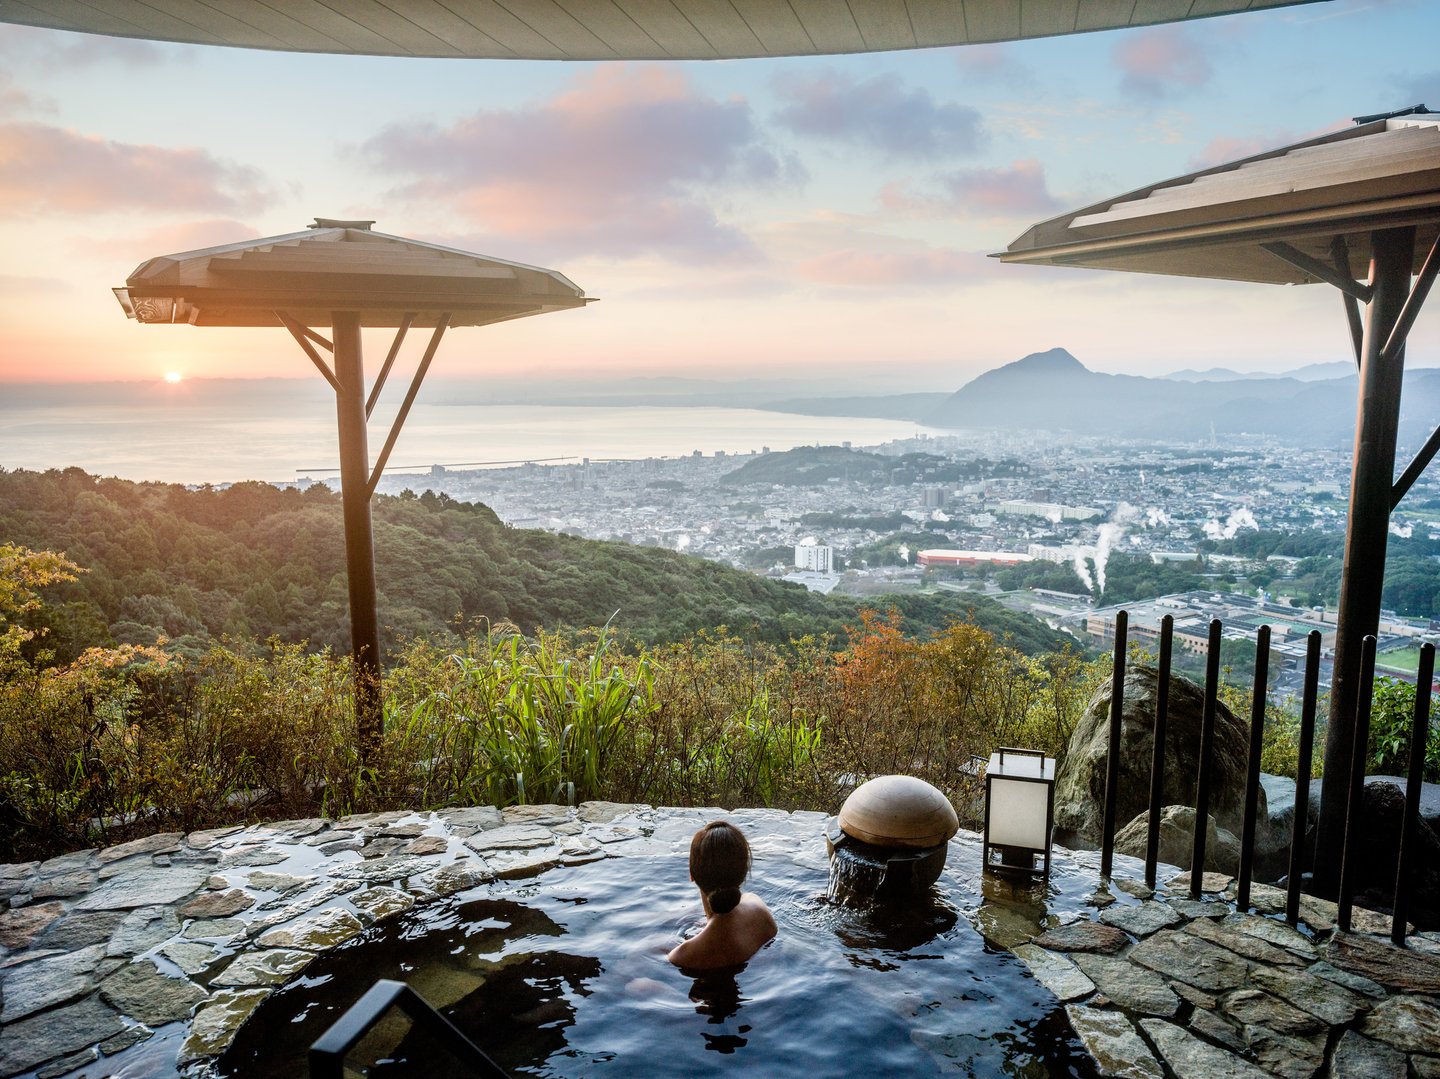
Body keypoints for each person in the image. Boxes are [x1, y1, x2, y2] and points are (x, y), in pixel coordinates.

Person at [667, 820, 777, 970]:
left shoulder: (683, 955)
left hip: (708, 991)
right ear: (743, 873)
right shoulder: (758, 907)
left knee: (636, 985)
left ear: (692, 874)